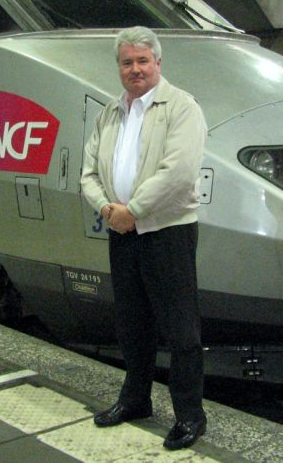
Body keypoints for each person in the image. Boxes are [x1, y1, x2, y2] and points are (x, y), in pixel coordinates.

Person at [80, 26, 208, 450]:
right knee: (132, 323)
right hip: (122, 231)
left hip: (167, 232)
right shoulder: (110, 113)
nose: (134, 69)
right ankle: (135, 401)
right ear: (119, 67)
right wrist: (107, 210)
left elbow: (179, 172)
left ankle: (190, 416)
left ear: (157, 63)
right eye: (126, 62)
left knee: (180, 329)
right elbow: (89, 173)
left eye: (142, 60)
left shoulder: (182, 107)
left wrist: (132, 210)